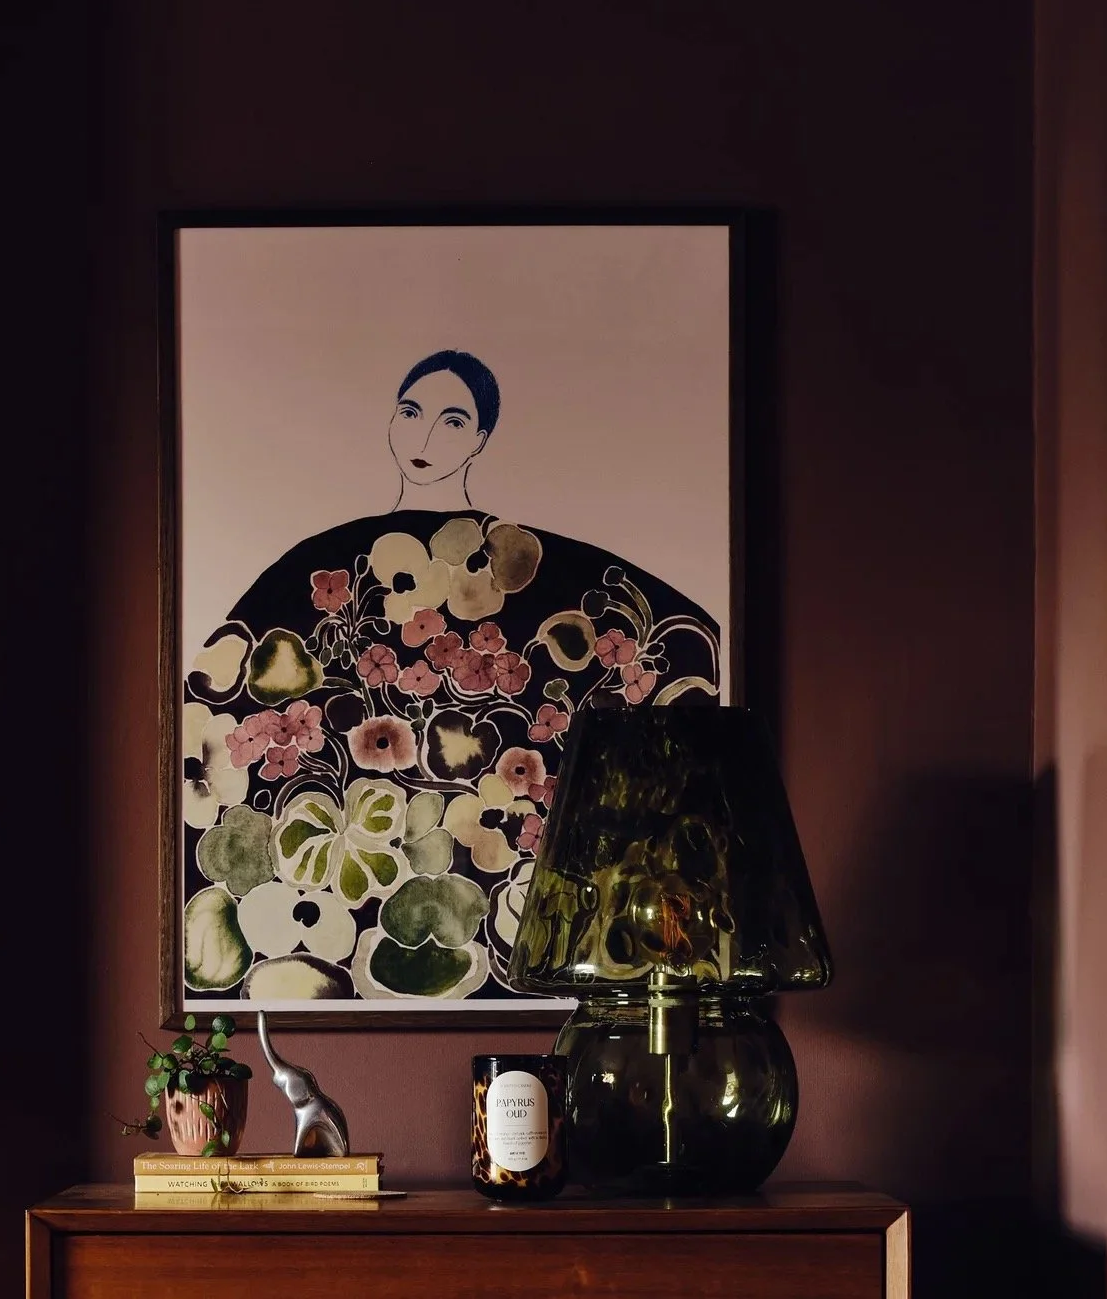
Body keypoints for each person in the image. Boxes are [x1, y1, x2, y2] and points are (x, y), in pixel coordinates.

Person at [182, 349, 721, 1006]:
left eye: (454, 421)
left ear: (482, 439)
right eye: (411, 412)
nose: (427, 437)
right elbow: (219, 696)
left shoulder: (528, 565)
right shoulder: (322, 564)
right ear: (391, 420)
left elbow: (683, 644)